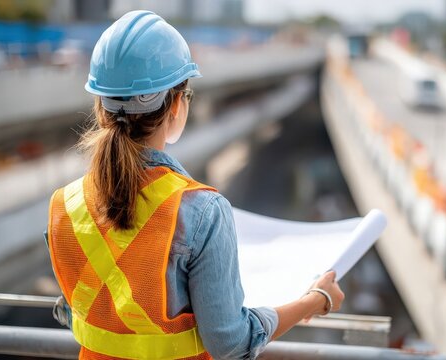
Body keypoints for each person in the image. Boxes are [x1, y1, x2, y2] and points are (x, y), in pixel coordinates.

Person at [46, 10, 344, 360]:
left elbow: (75, 312)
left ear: (100, 106)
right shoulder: (202, 211)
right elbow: (231, 343)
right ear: (175, 104)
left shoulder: (63, 205)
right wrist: (316, 300)